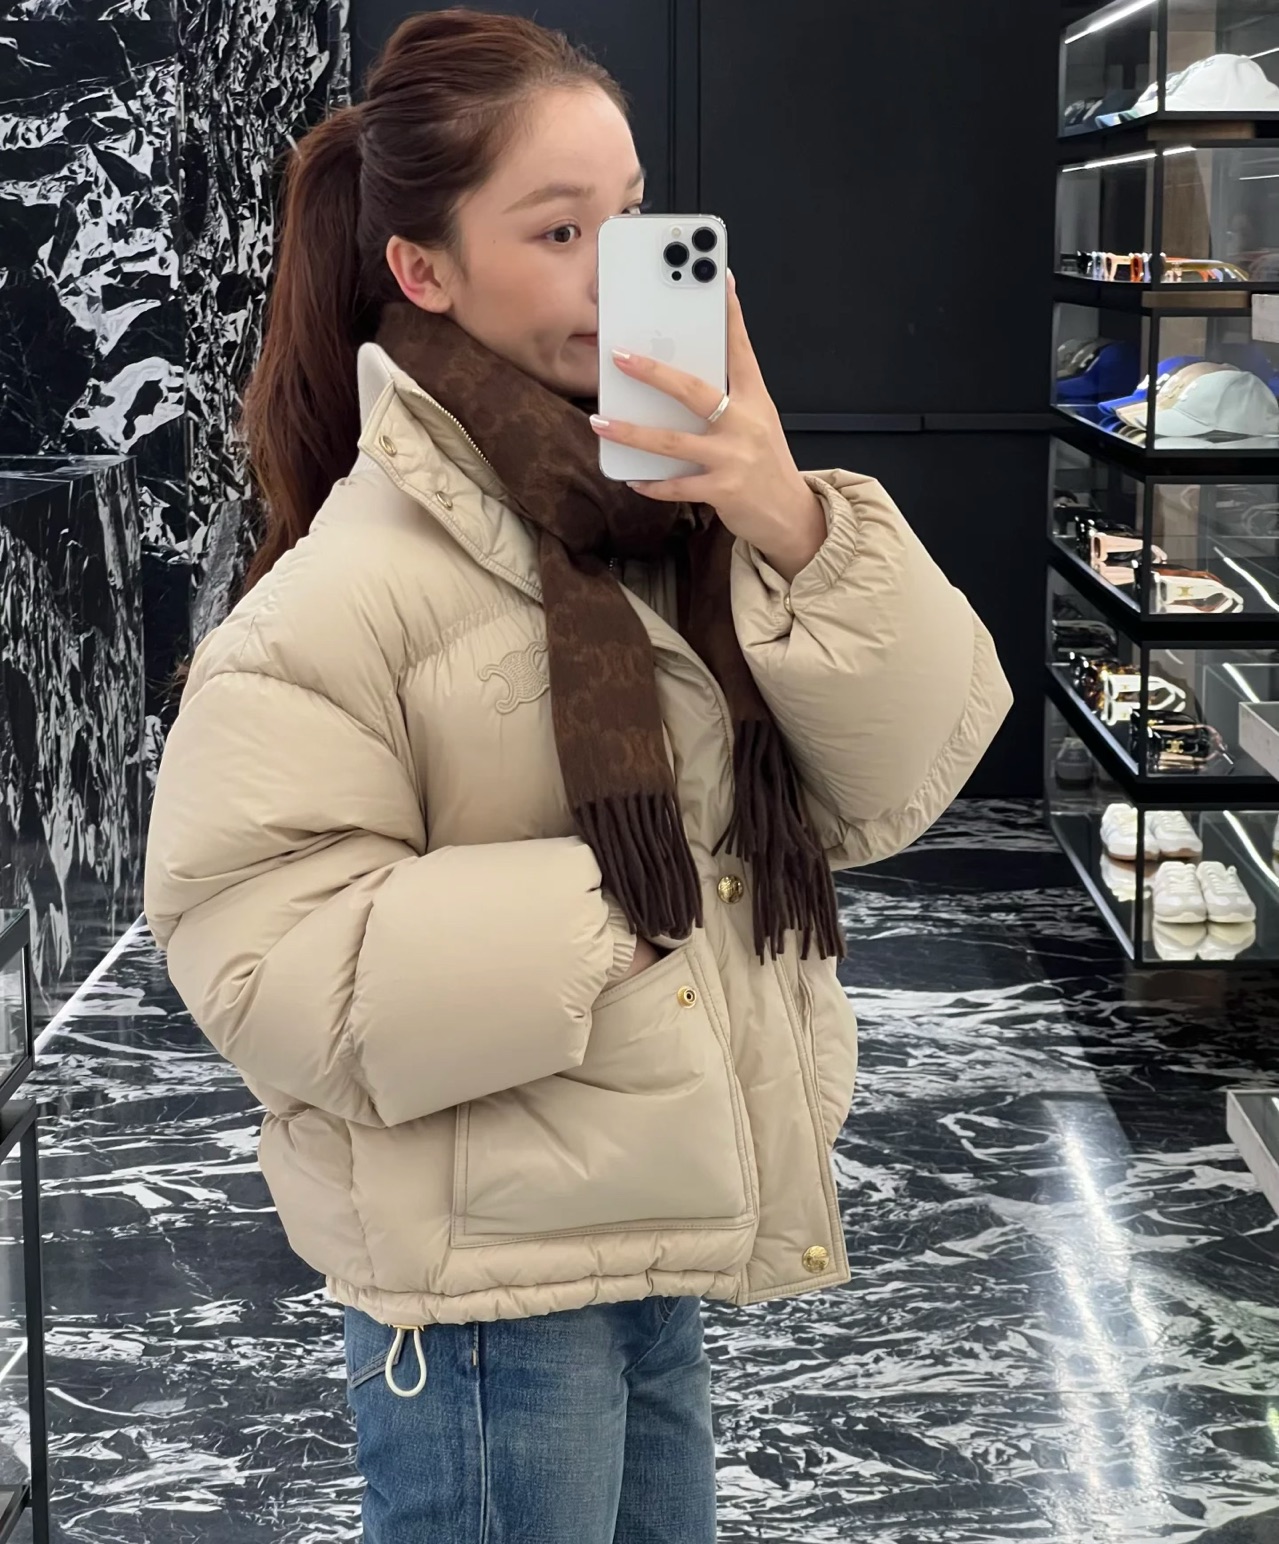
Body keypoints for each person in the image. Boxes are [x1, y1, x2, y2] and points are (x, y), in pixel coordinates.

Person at [142, 8, 1013, 1540]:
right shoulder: (346, 593)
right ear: (425, 272)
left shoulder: (673, 525)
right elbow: (252, 954)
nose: (621, 268)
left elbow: (897, 776)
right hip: (487, 1298)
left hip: (655, 1222)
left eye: (635, 216)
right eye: (559, 231)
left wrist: (791, 515)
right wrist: (629, 900)